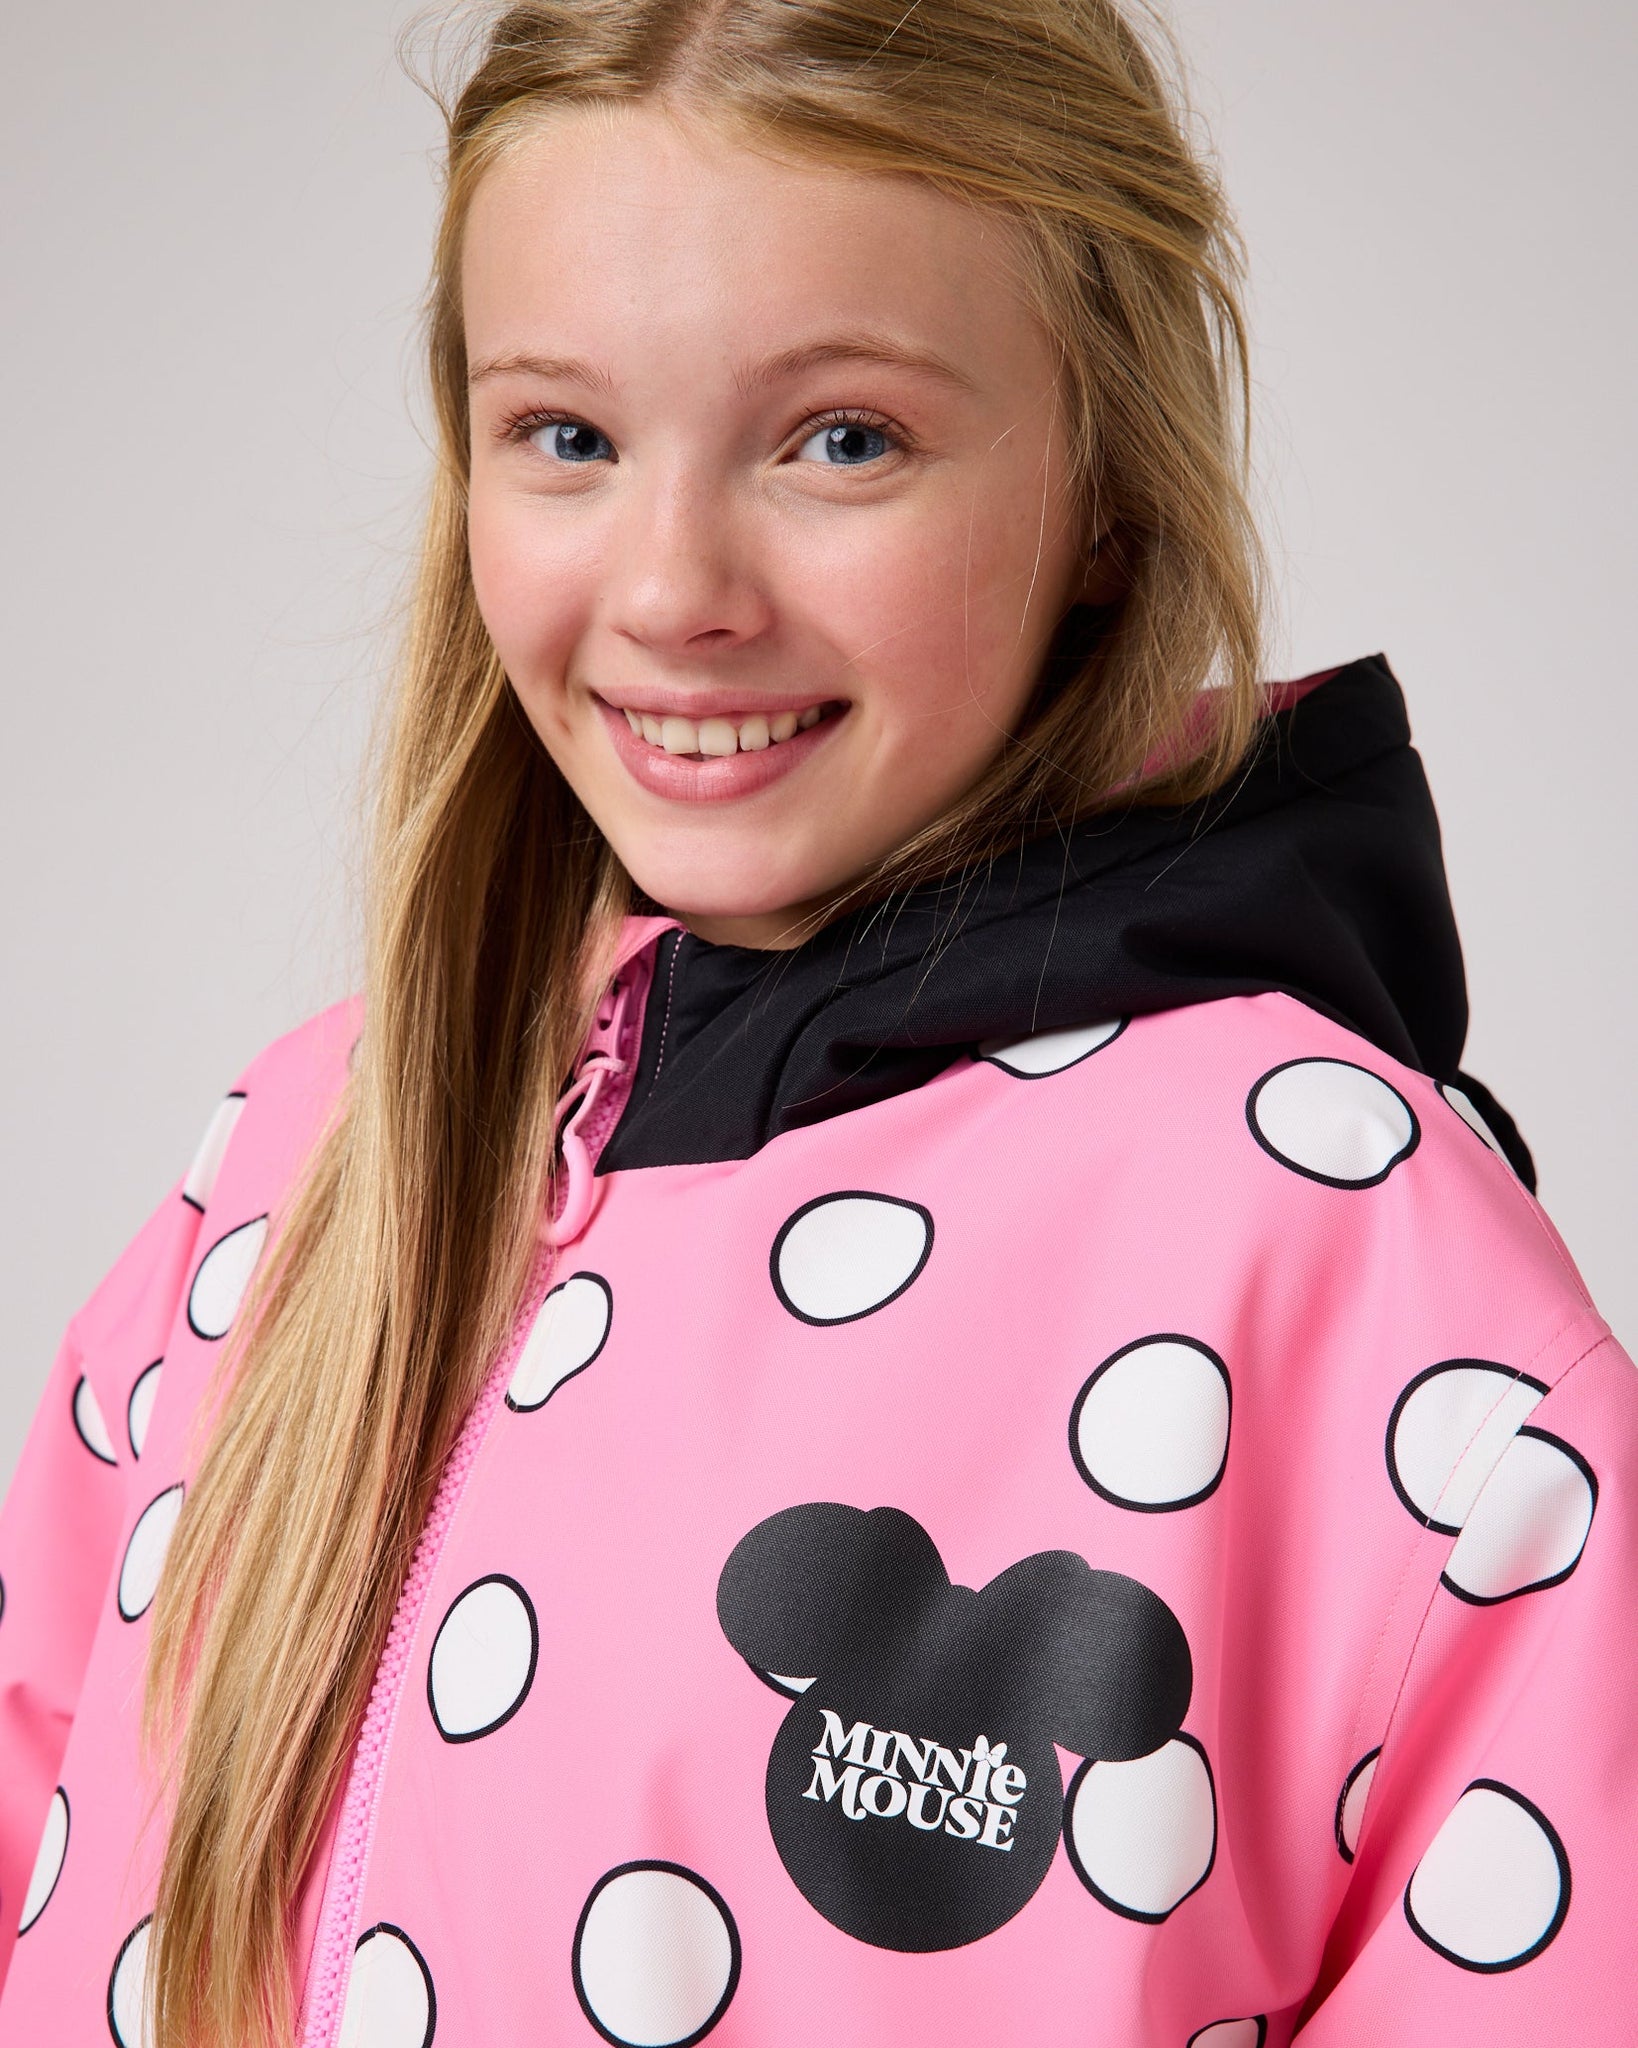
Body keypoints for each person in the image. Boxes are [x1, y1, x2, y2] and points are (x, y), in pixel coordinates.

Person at [0, 0, 1631, 2042]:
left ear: (1107, 495)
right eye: (567, 436)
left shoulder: (1333, 1252)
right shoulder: (293, 1160)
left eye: (841, 439)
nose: (673, 588)